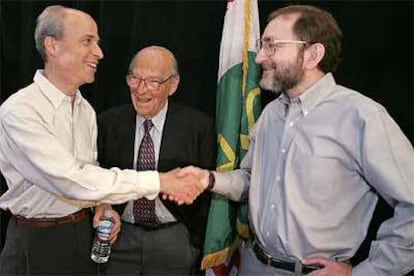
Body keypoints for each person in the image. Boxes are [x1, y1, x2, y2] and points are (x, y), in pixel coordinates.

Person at [181, 4, 414, 276]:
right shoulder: (271, 114)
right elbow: (251, 182)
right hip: (251, 266)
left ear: (313, 54)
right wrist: (207, 179)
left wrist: (368, 272)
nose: (260, 58)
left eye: (272, 46)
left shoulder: (361, 117)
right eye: (262, 45)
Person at [0, 6, 201, 275]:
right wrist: (161, 181)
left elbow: (90, 171)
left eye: (98, 42)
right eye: (87, 41)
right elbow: (70, 179)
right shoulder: (21, 110)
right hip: (36, 241)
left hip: (82, 236)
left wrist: (103, 206)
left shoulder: (84, 110)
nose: (99, 53)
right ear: (52, 46)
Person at [97, 45, 216, 275]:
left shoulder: (198, 127)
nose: (141, 90)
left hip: (174, 239)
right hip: (120, 238)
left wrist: (193, 241)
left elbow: (207, 194)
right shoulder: (107, 123)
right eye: (135, 79)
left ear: (173, 85)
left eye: (153, 82)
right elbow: (97, 175)